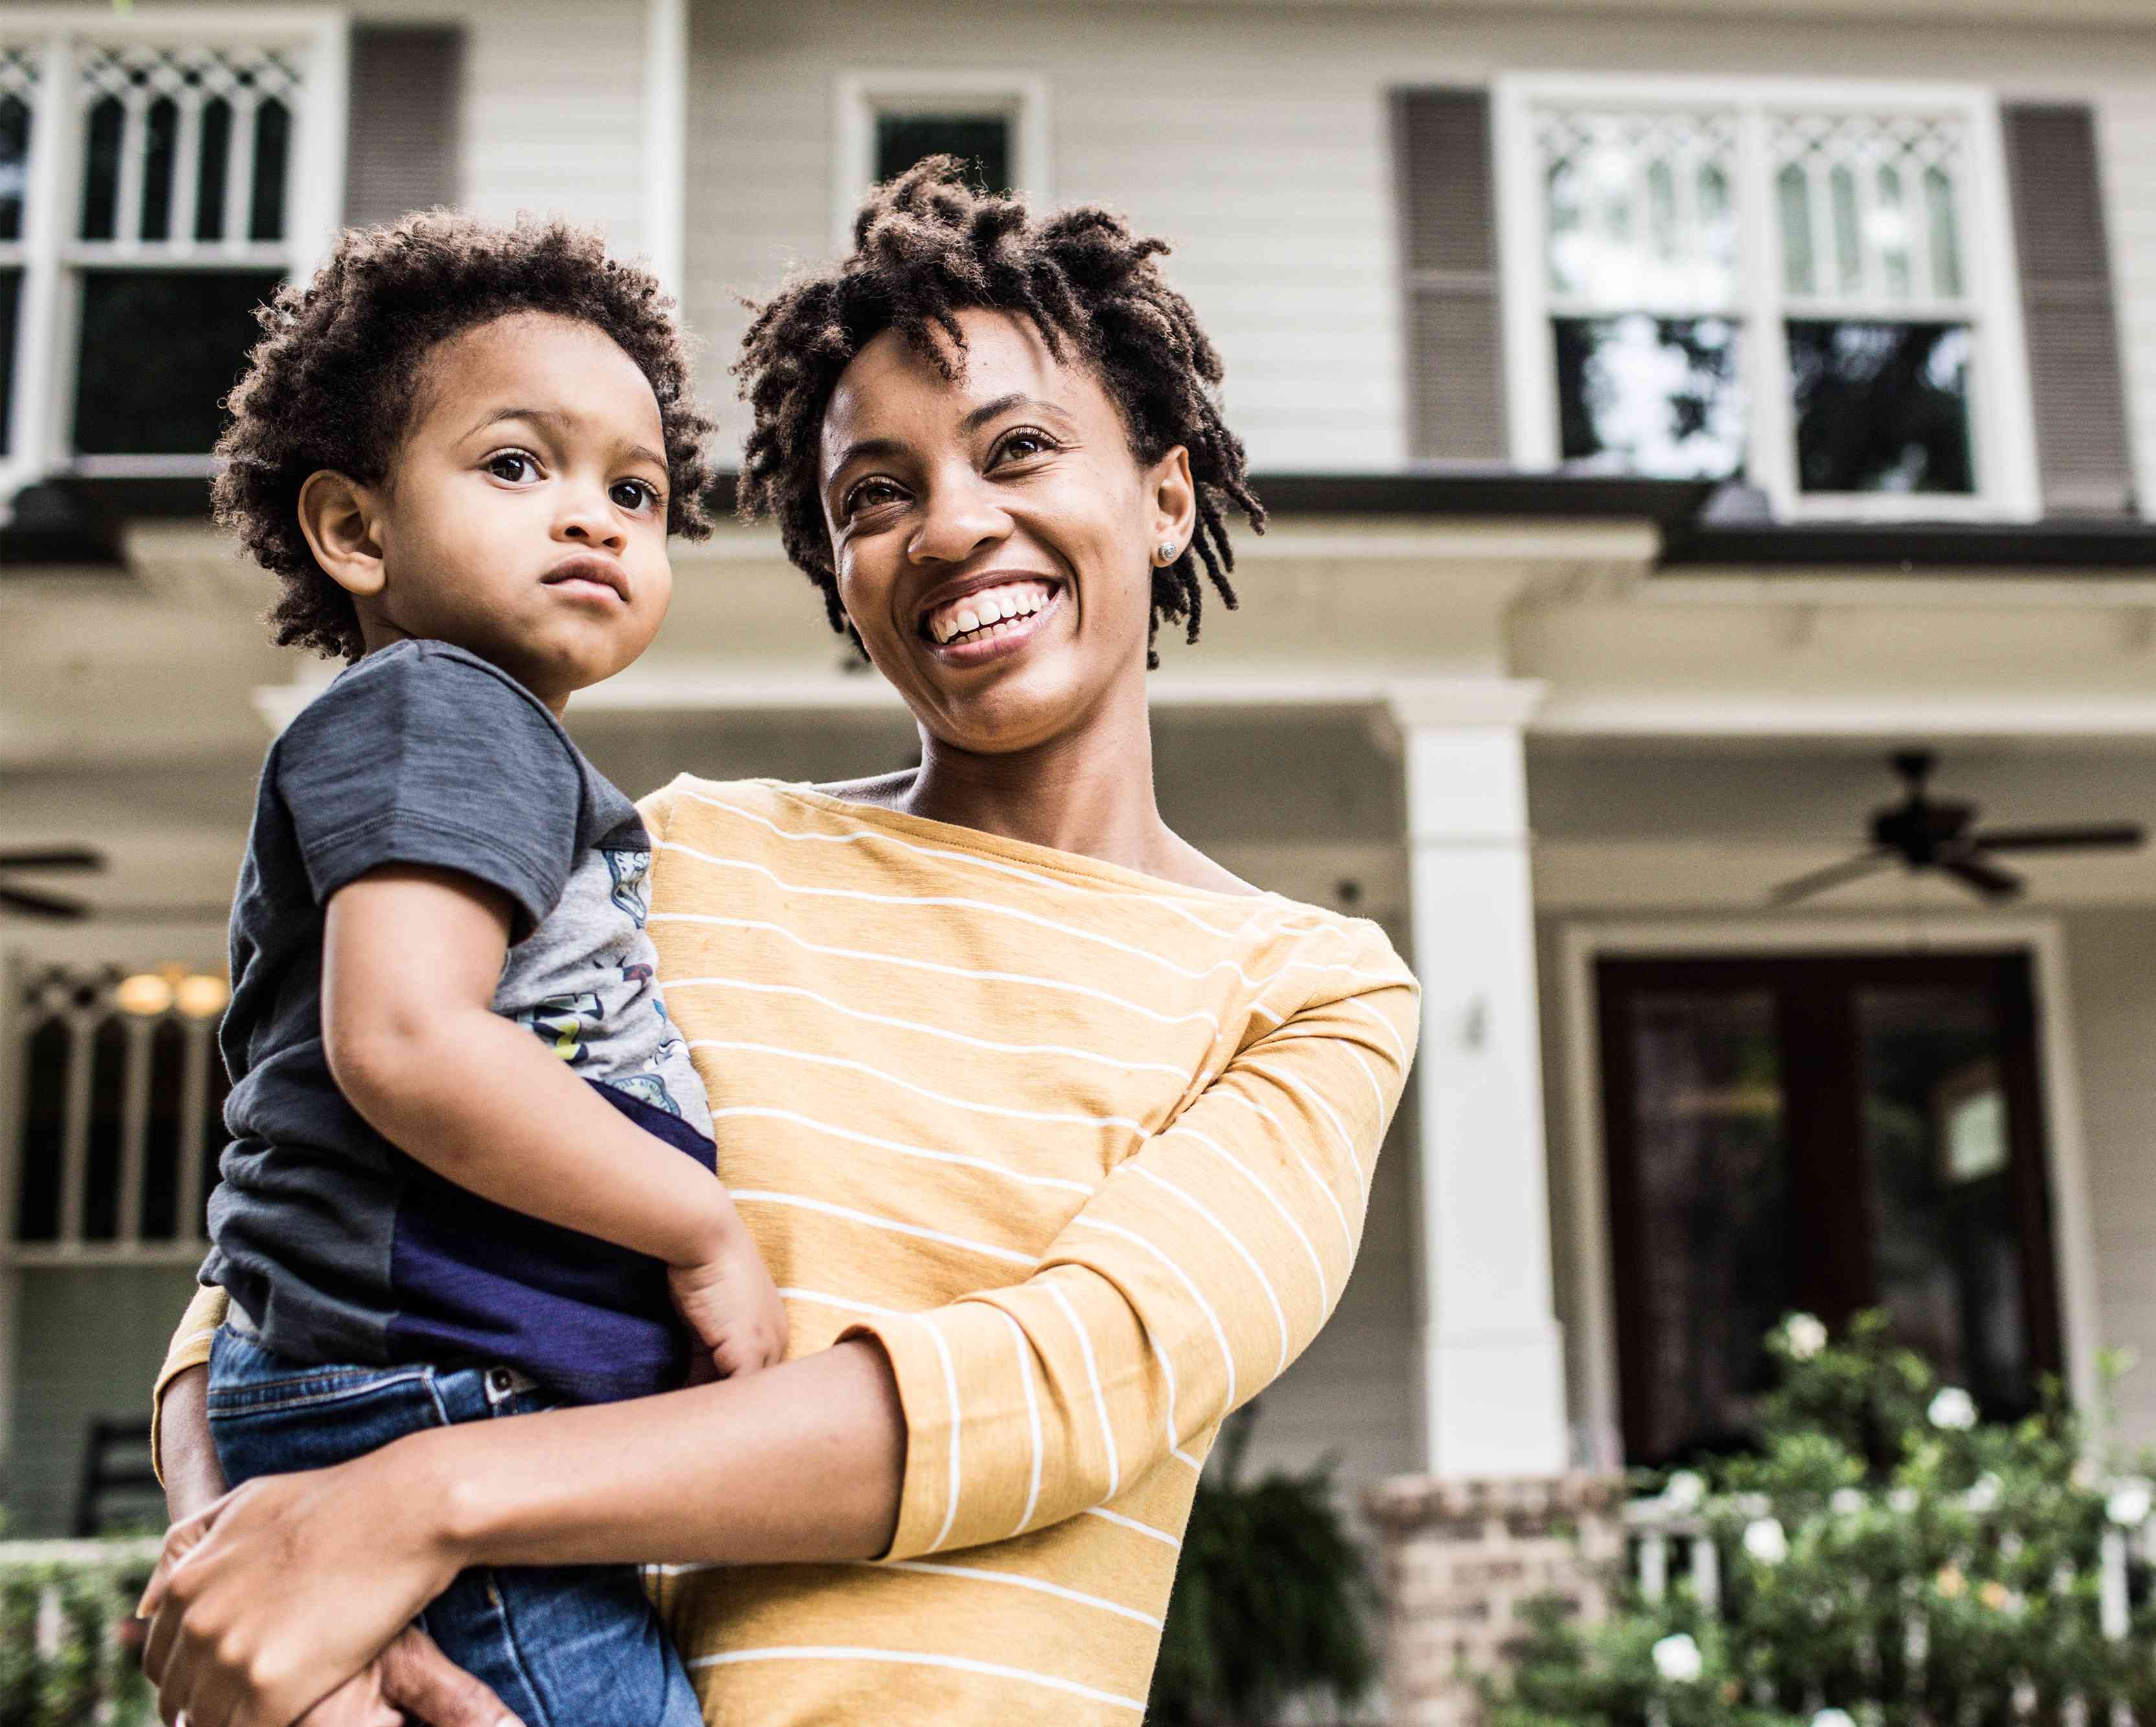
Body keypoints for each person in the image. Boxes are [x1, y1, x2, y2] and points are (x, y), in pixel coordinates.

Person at [142, 159, 1420, 1727]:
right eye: (873, 495)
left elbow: (1055, 1395)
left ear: (1164, 497)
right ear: (839, 573)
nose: (951, 526)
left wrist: (415, 1505)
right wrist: (262, 1578)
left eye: (1018, 447)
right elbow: (296, 1199)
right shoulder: (680, 855)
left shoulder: (1306, 991)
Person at [170, 212, 792, 1727]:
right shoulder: (444, 709)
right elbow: (406, 1039)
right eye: (518, 465)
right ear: (356, 529)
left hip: (419, 1394)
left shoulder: (464, 735)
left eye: (632, 490)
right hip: (430, 1390)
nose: (589, 515)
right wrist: (698, 1225)